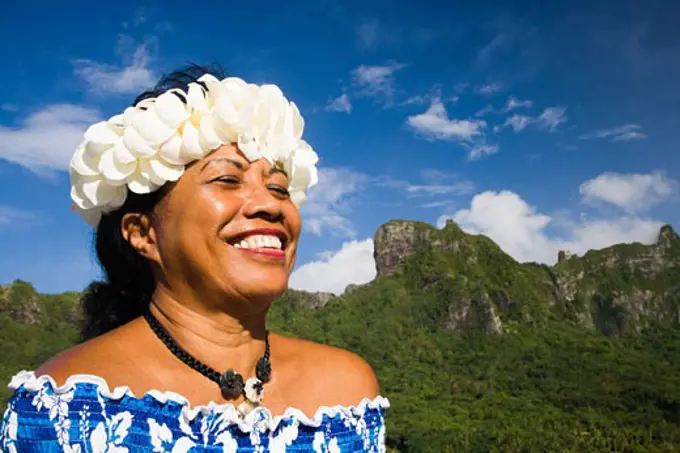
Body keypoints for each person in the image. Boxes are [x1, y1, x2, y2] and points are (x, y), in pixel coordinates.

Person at [0, 64, 390, 452]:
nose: (270, 204)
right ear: (143, 234)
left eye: (279, 188)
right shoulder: (61, 410)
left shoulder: (348, 392)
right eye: (227, 180)